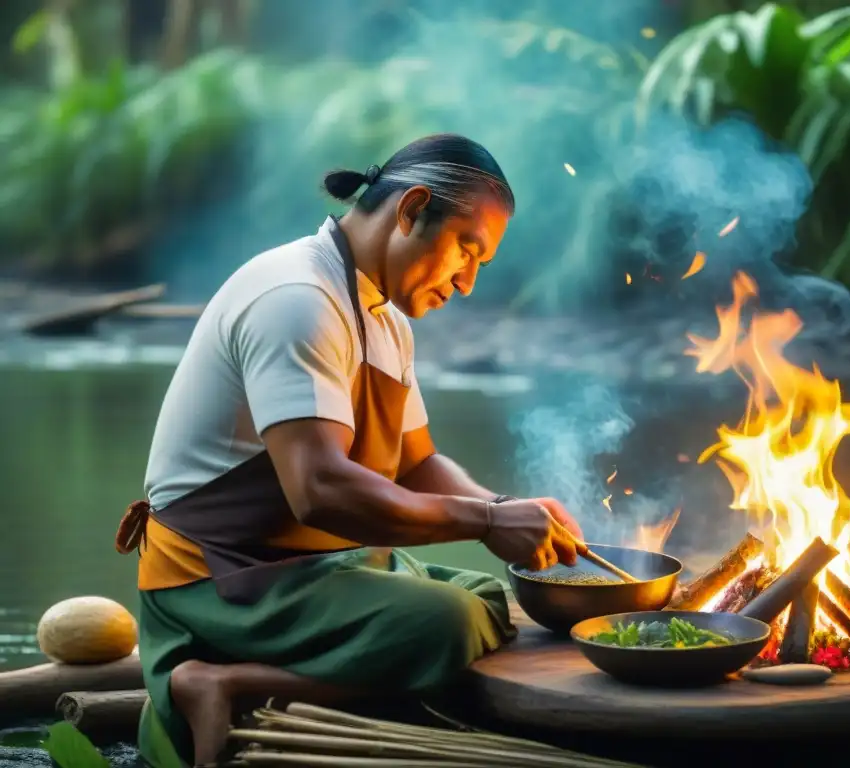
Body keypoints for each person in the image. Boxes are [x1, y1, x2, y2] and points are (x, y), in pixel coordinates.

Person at [114, 133, 585, 767]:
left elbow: (417, 462)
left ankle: (265, 677)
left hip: (314, 570)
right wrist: (489, 520)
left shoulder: (385, 315)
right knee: (444, 623)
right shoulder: (296, 298)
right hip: (225, 577)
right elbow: (320, 491)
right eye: (466, 251)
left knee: (487, 599)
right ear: (412, 209)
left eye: (482, 264)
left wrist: (504, 506)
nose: (468, 283)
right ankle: (218, 682)